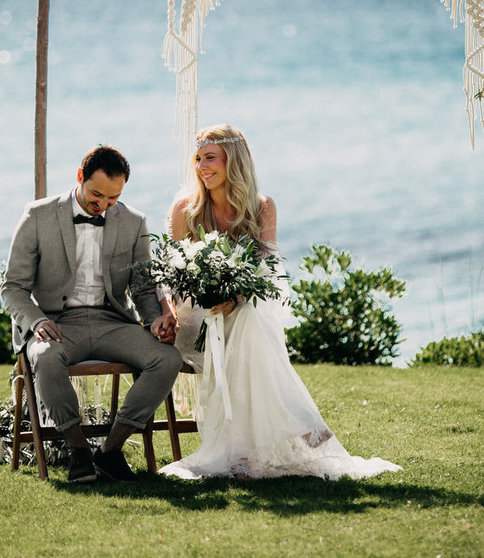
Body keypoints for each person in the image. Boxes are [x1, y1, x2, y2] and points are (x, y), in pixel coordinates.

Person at [158, 124, 402, 480]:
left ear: (233, 160)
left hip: (244, 306)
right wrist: (186, 304)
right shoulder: (186, 208)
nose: (201, 167)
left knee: (248, 323)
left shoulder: (261, 206)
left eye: (210, 158)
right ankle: (304, 426)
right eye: (197, 159)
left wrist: (235, 296)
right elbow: (169, 272)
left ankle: (240, 455)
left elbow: (267, 269)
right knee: (247, 327)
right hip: (196, 316)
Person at [1, 144, 182, 484]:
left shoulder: (134, 221)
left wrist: (154, 319)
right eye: (96, 196)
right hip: (58, 323)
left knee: (166, 359)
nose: (102, 206)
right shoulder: (37, 215)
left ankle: (110, 451)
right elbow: (13, 287)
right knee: (45, 356)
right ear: (80, 177)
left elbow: (143, 287)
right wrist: (37, 321)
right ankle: (78, 449)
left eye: (112, 199)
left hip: (111, 321)